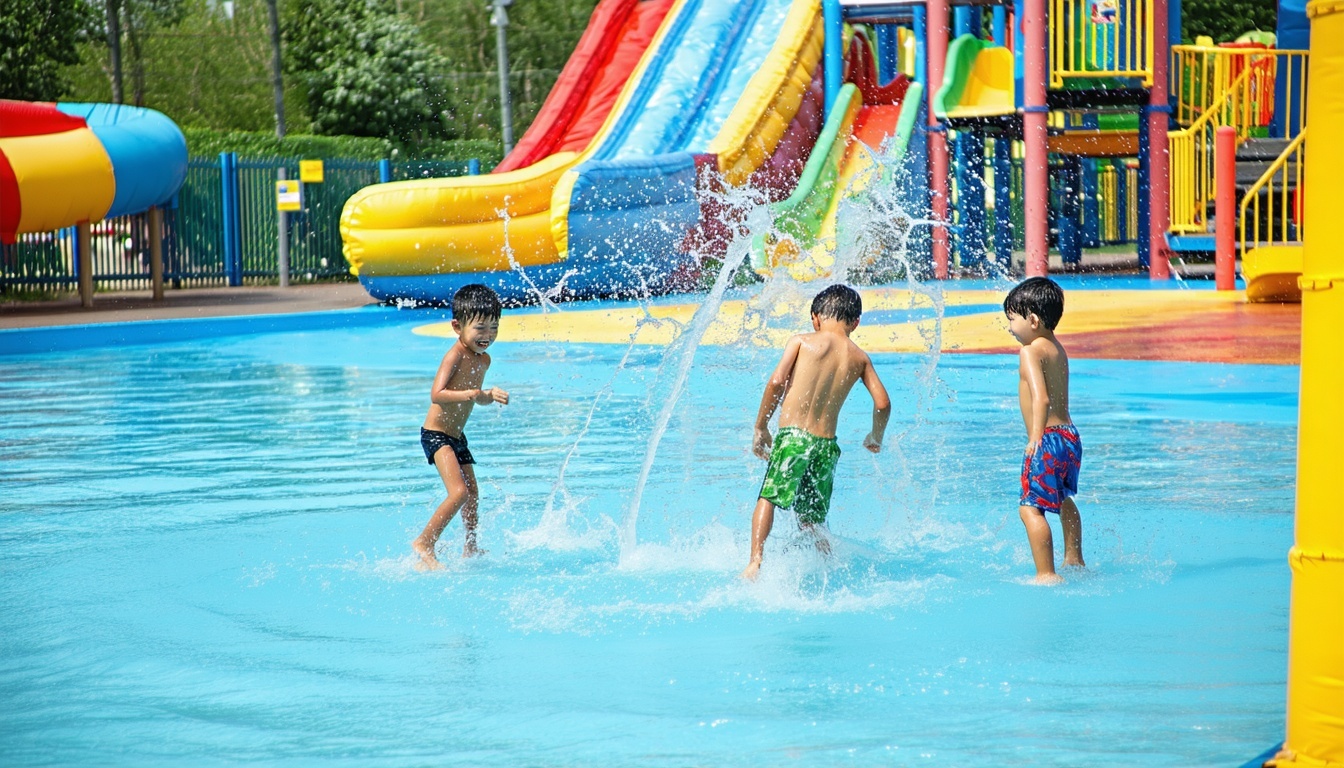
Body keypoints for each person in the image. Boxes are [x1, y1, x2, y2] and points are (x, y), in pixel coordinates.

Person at [740, 284, 891, 580]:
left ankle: (755, 561)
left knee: (769, 497)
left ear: (815, 318)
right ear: (856, 322)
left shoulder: (801, 341)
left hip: (794, 438)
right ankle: (828, 564)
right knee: (812, 519)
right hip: (826, 446)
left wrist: (761, 427)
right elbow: (883, 403)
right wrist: (876, 437)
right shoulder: (859, 358)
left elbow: (776, 382)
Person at [413, 284, 510, 570]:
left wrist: (487, 397)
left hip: (457, 436)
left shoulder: (484, 360)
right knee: (458, 493)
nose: (488, 336)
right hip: (437, 435)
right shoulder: (454, 356)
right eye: (480, 328)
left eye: (494, 327)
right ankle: (424, 542)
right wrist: (471, 394)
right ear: (457, 326)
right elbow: (437, 394)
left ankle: (471, 546)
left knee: (473, 494)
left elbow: (476, 399)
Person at [1004, 277, 1084, 585]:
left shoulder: (1030, 351)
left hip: (1047, 439)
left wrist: (1035, 436)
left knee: (1030, 509)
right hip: (1069, 436)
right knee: (1063, 499)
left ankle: (1046, 574)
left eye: (1012, 319)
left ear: (1033, 320)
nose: (1010, 327)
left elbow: (1042, 397)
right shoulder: (1057, 347)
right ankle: (1074, 559)